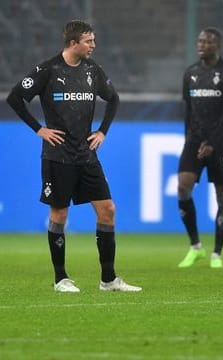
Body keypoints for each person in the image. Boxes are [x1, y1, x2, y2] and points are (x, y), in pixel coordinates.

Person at [6, 20, 141, 292]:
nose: (94, 45)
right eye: (89, 41)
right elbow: (15, 98)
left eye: (93, 40)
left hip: (86, 154)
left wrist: (102, 131)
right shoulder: (47, 70)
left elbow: (113, 98)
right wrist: (39, 129)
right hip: (58, 154)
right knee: (60, 213)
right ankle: (61, 278)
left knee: (107, 209)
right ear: (73, 43)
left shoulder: (93, 70)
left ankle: (108, 279)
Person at [177, 27, 223, 268]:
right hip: (194, 141)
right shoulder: (190, 73)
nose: (201, 45)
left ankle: (217, 254)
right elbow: (188, 111)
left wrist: (212, 143)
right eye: (200, 41)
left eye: (207, 42)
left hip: (221, 143)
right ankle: (195, 247)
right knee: (183, 187)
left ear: (217, 46)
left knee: (222, 195)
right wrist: (190, 140)